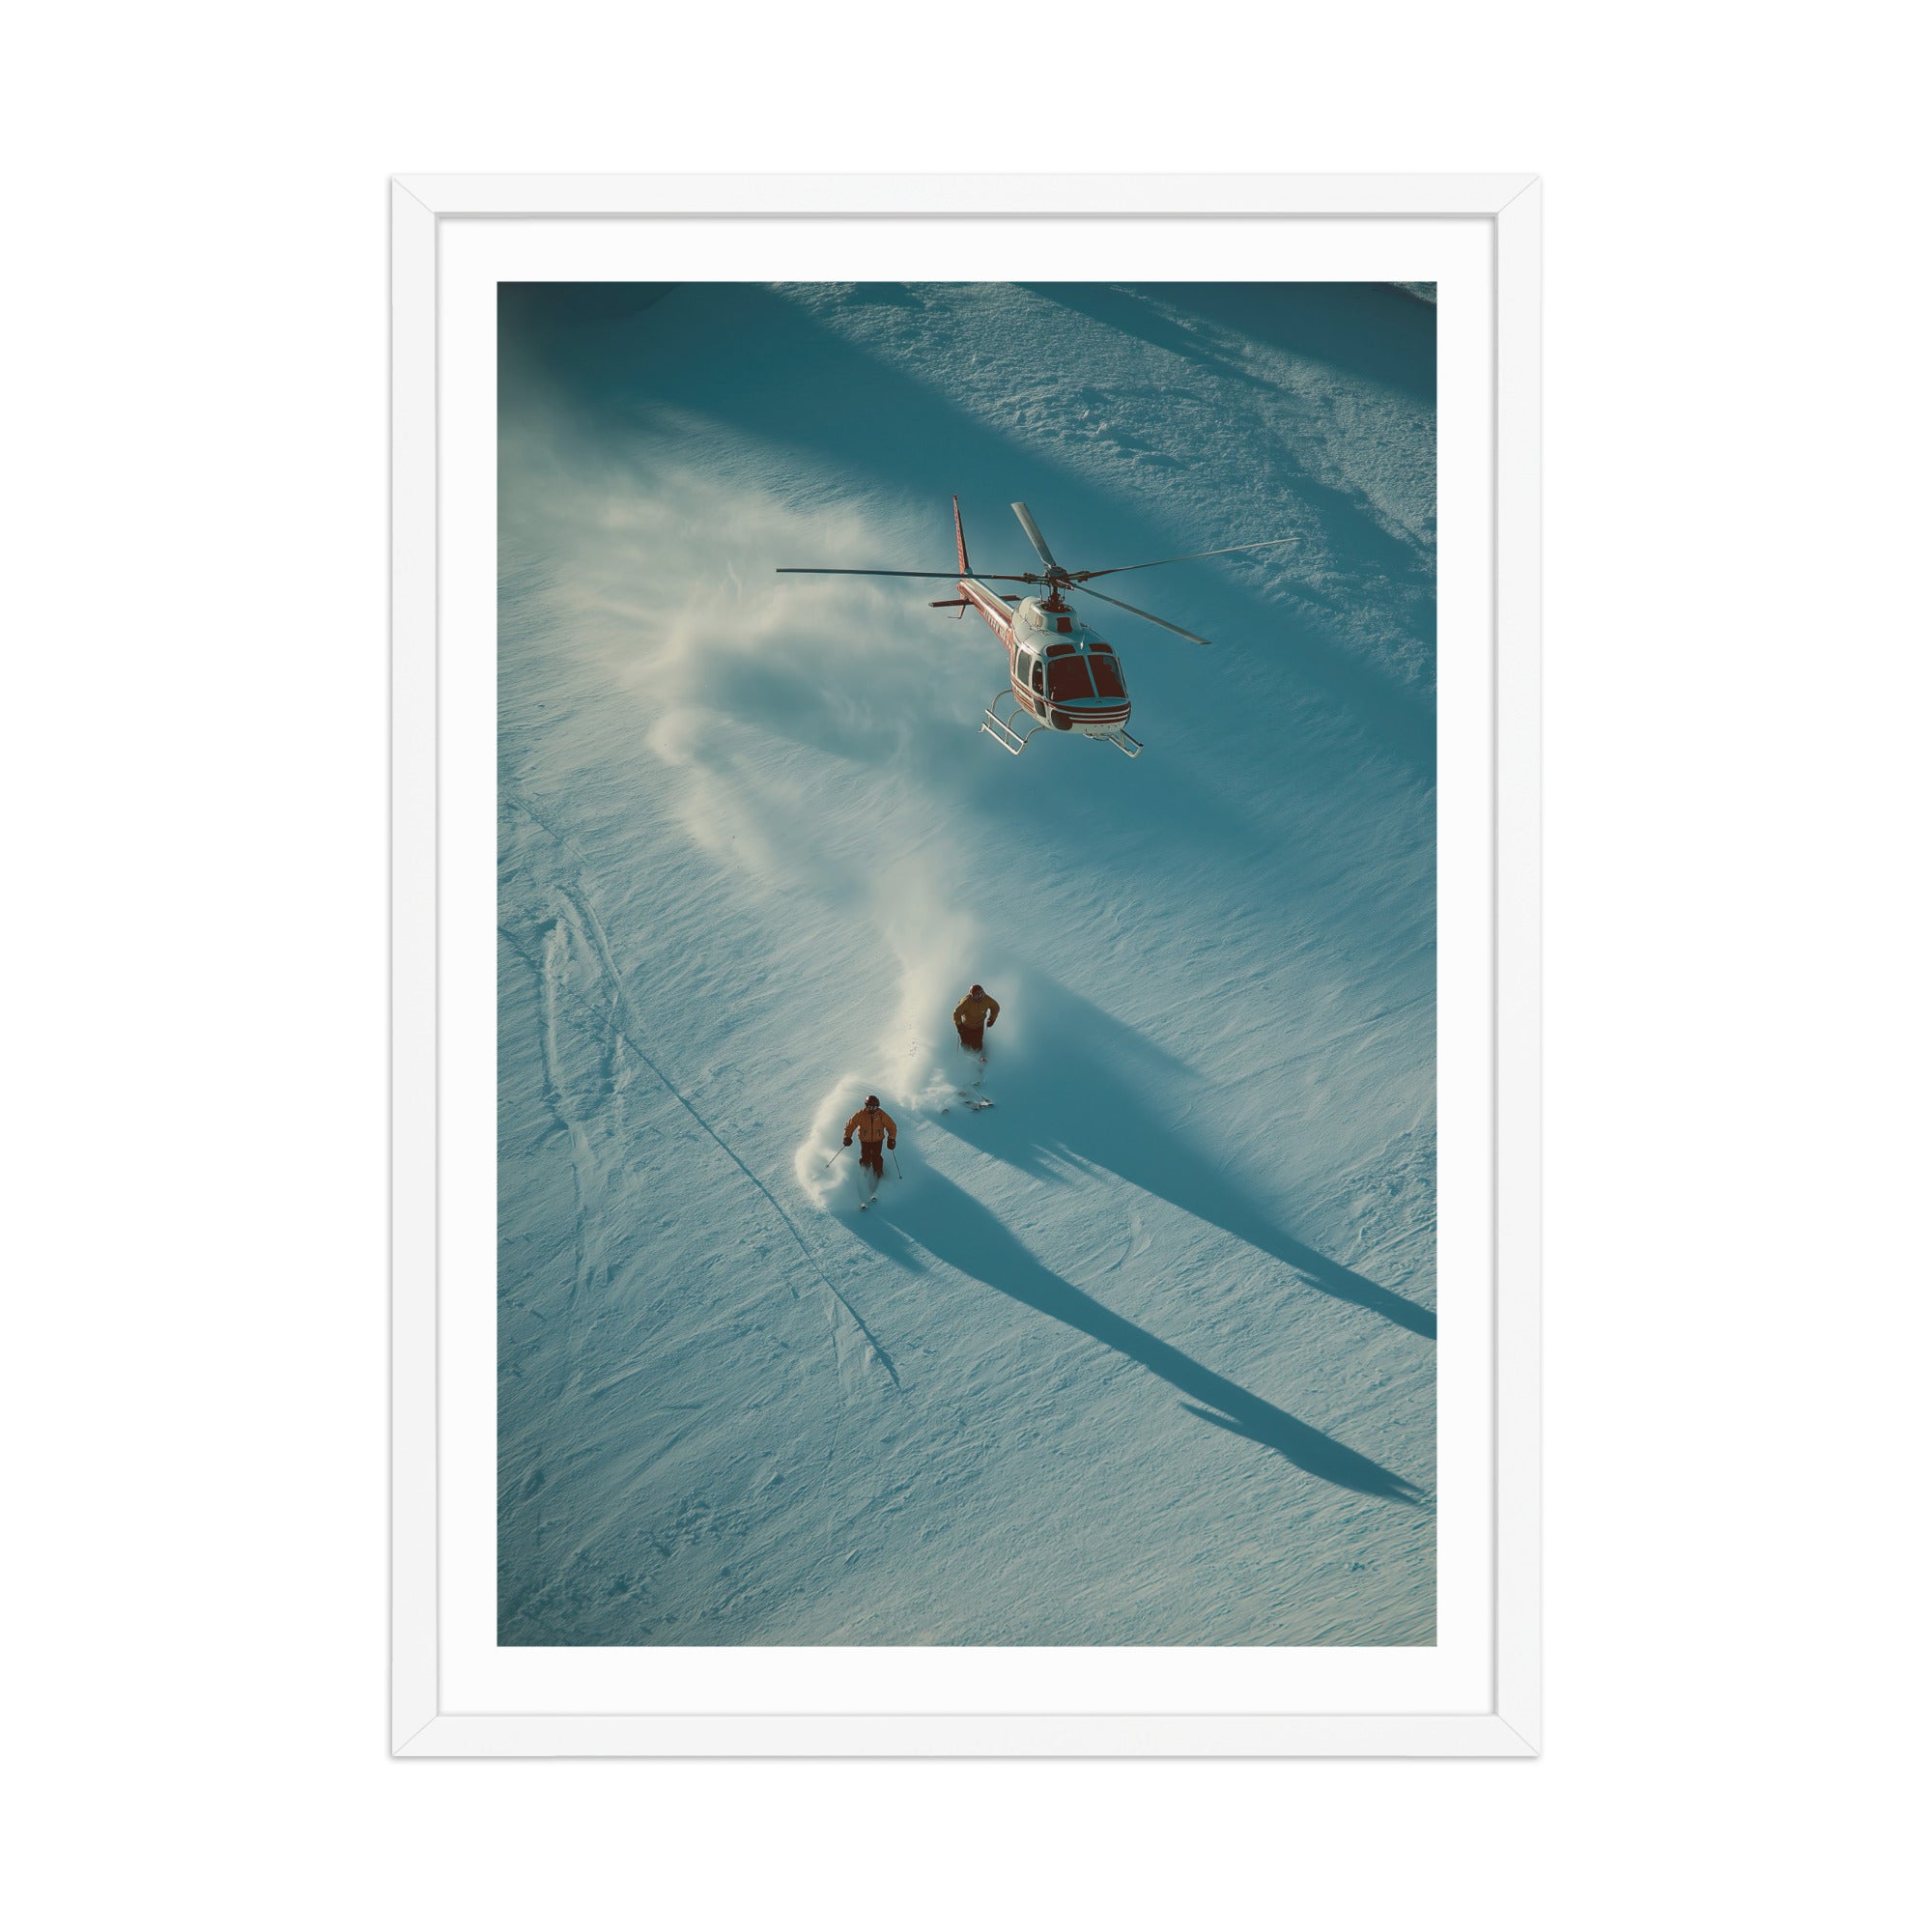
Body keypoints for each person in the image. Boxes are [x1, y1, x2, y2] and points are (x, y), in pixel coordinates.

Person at [843, 1095, 897, 1181]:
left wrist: (891, 1139)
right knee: (865, 1156)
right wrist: (847, 1137)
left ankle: (878, 1173)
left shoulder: (881, 1115)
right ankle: (864, 1173)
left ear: (877, 1106)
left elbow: (891, 1127)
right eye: (870, 1106)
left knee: (876, 1157)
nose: (872, 1109)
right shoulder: (861, 1114)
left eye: (874, 1107)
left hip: (877, 1140)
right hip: (865, 1140)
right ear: (866, 1105)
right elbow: (851, 1125)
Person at [952, 983, 1001, 1056]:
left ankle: (978, 1057)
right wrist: (959, 1026)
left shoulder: (987, 1000)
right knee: (966, 1044)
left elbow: (995, 1007)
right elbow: (956, 1014)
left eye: (981, 994)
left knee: (977, 1044)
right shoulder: (966, 1002)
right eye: (975, 996)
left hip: (979, 1027)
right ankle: (965, 1057)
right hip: (966, 1027)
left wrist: (992, 1019)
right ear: (972, 996)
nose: (979, 997)